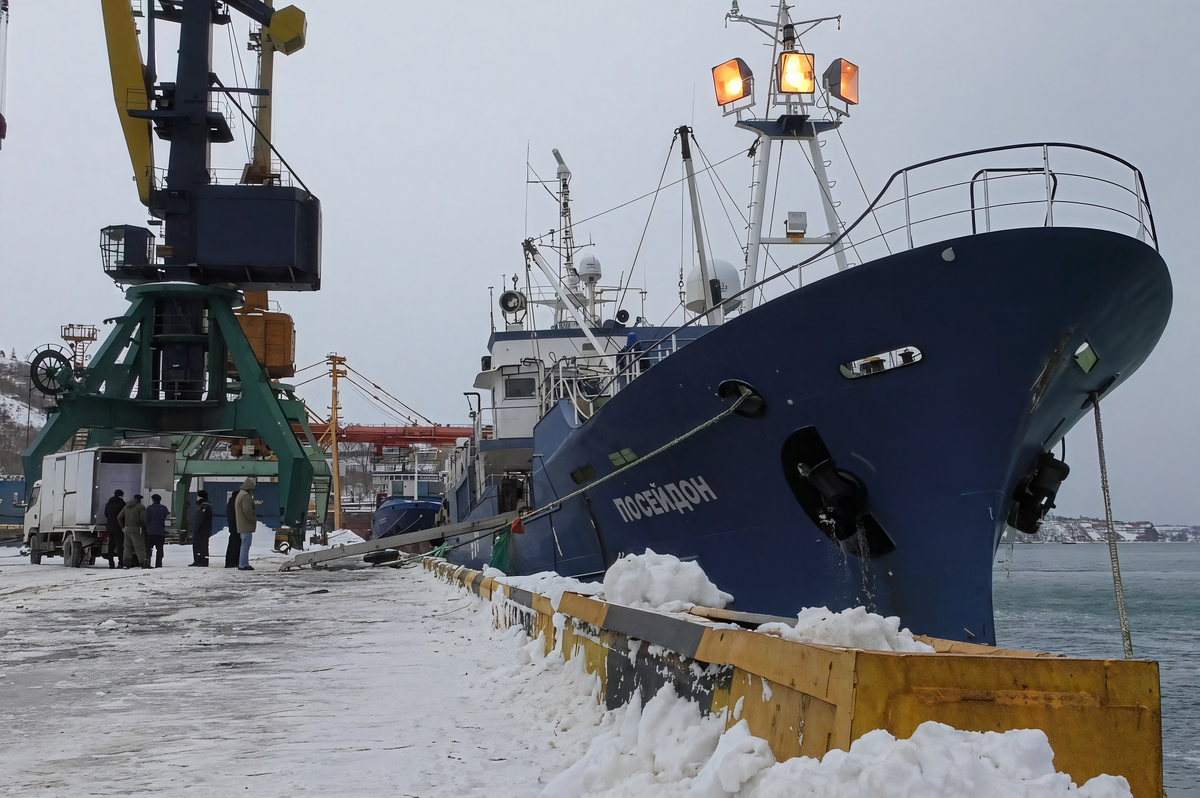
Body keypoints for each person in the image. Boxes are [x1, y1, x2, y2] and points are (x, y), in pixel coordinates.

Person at [119, 494, 148, 569]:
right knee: (139, 547)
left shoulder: (126, 506)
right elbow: (142, 519)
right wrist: (144, 527)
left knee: (127, 547)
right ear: (139, 500)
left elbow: (119, 517)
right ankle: (143, 562)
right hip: (137, 530)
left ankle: (126, 563)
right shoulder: (141, 507)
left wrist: (123, 527)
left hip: (127, 530)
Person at [235, 477, 257, 571]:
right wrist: (253, 520)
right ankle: (243, 564)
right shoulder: (245, 496)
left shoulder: (240, 494)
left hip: (242, 525)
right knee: (245, 545)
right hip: (246, 525)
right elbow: (247, 511)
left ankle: (243, 563)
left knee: (244, 544)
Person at [190, 490, 213, 567]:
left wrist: (195, 529)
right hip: (205, 530)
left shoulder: (203, 506)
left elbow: (199, 519)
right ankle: (202, 560)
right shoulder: (207, 505)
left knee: (200, 545)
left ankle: (200, 561)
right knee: (203, 545)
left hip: (201, 530)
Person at [144, 494, 169, 568]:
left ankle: (147, 563)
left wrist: (148, 527)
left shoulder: (149, 508)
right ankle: (158, 563)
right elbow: (166, 517)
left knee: (148, 548)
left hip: (151, 532)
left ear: (152, 500)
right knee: (160, 548)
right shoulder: (164, 508)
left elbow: (146, 520)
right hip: (160, 531)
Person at [103, 489, 126, 569]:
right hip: (119, 527)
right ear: (121, 495)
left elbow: (106, 514)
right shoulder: (122, 504)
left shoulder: (109, 503)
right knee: (120, 546)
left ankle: (111, 563)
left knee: (111, 546)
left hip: (110, 527)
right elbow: (124, 516)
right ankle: (120, 563)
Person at [224, 488, 241, 568]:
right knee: (236, 544)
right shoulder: (235, 504)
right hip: (236, 527)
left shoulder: (230, 504)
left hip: (232, 527)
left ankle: (229, 561)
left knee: (232, 543)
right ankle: (233, 561)